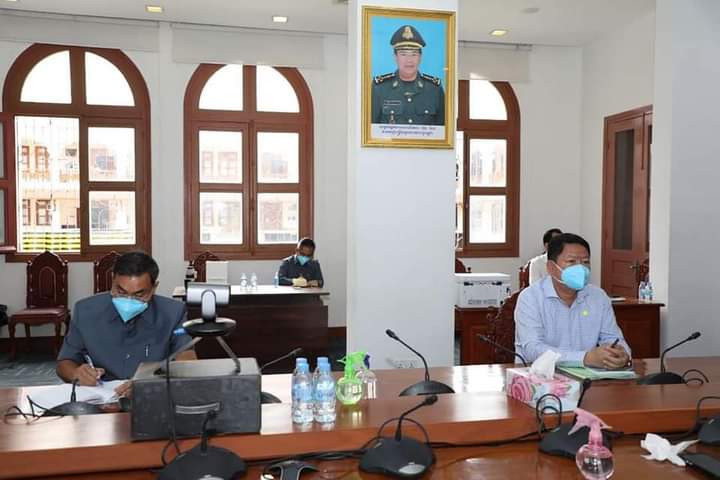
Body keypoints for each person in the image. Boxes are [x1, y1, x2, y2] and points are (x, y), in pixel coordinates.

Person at [57, 251, 196, 396]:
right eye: (121, 292)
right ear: (113, 281)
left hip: (153, 395)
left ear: (154, 288)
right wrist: (76, 373)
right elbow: (64, 362)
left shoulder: (173, 313)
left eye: (139, 295)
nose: (128, 301)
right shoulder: (86, 311)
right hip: (100, 397)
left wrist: (154, 383)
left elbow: (187, 358)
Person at [514, 233, 631, 369]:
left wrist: (622, 355)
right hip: (540, 376)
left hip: (589, 376)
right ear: (551, 267)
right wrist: (585, 358)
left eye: (586, 262)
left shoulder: (598, 297)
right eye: (571, 262)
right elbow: (532, 350)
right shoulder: (531, 298)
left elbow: (613, 338)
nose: (581, 268)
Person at [371, 24, 445, 126]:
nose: (409, 60)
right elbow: (371, 127)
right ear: (395, 57)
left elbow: (443, 128)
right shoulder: (380, 88)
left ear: (420, 57)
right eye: (403, 54)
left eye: (414, 54)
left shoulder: (434, 88)